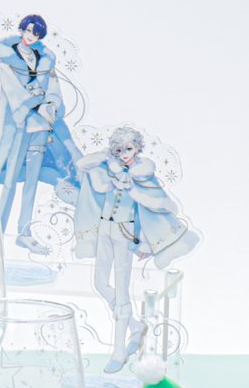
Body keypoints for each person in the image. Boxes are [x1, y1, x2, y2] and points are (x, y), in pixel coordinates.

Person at [72, 126, 201, 372]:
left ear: (138, 148)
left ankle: (119, 350)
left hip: (125, 233)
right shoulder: (109, 168)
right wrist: (107, 156)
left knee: (122, 291)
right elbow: (82, 164)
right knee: (100, 282)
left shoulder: (143, 175)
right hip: (104, 230)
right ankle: (134, 325)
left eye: (128, 149)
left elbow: (154, 209)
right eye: (119, 149)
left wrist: (145, 244)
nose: (123, 154)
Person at [0, 14, 83, 251]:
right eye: (28, 31)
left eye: (36, 33)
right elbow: (12, 91)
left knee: (32, 181)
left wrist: (51, 105)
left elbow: (53, 87)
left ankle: (24, 232)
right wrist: (37, 106)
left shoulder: (45, 59)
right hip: (18, 124)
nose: (31, 36)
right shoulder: (6, 57)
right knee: (9, 181)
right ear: (21, 30)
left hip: (40, 126)